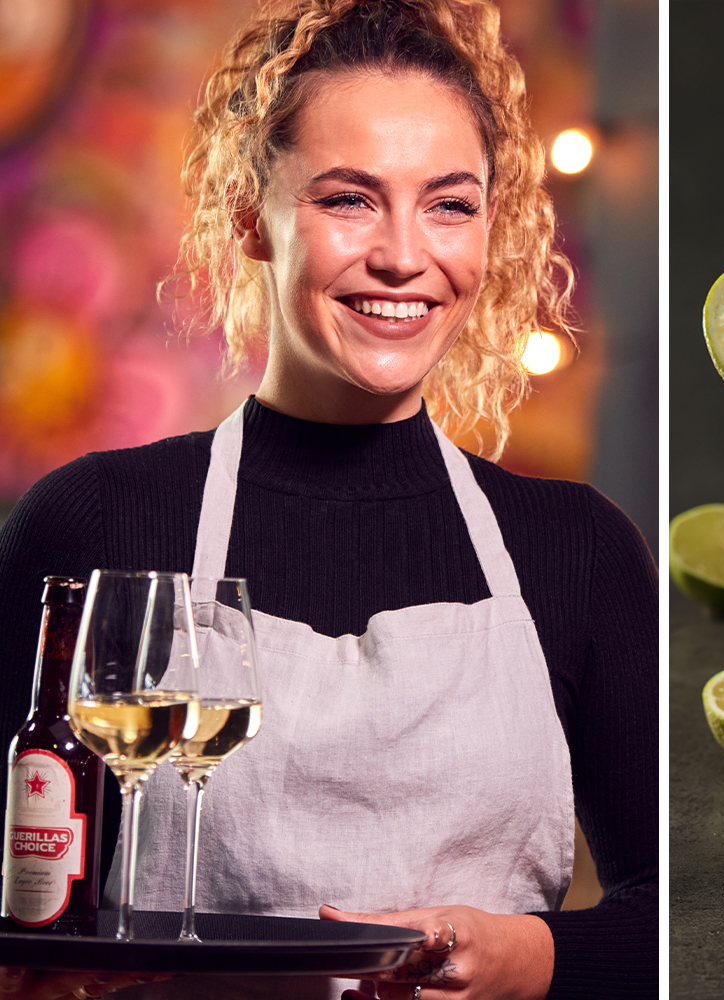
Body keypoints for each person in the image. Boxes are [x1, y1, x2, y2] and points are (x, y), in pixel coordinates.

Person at [0, 1, 656, 997]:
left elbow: (684, 923)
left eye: (449, 203)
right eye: (349, 200)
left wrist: (534, 957)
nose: (402, 255)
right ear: (249, 216)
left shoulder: (575, 549)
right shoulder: (90, 523)